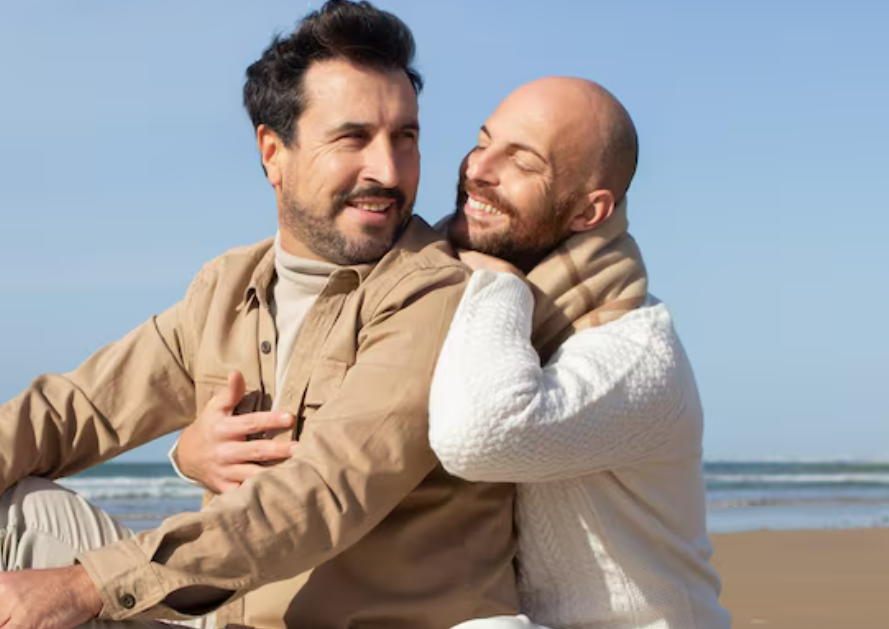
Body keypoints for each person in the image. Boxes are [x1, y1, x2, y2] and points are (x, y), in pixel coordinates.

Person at [0, 2, 519, 628]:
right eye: (353, 137)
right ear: (273, 152)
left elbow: (327, 491)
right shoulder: (228, 288)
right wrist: (182, 457)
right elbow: (69, 412)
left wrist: (84, 587)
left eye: (405, 137)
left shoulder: (434, 293)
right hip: (215, 621)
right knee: (16, 509)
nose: (387, 169)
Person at [427, 78, 731, 628]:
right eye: (482, 141)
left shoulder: (638, 350)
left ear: (589, 213)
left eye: (522, 163)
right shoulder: (472, 302)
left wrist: (498, 285)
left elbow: (475, 436)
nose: (478, 169)